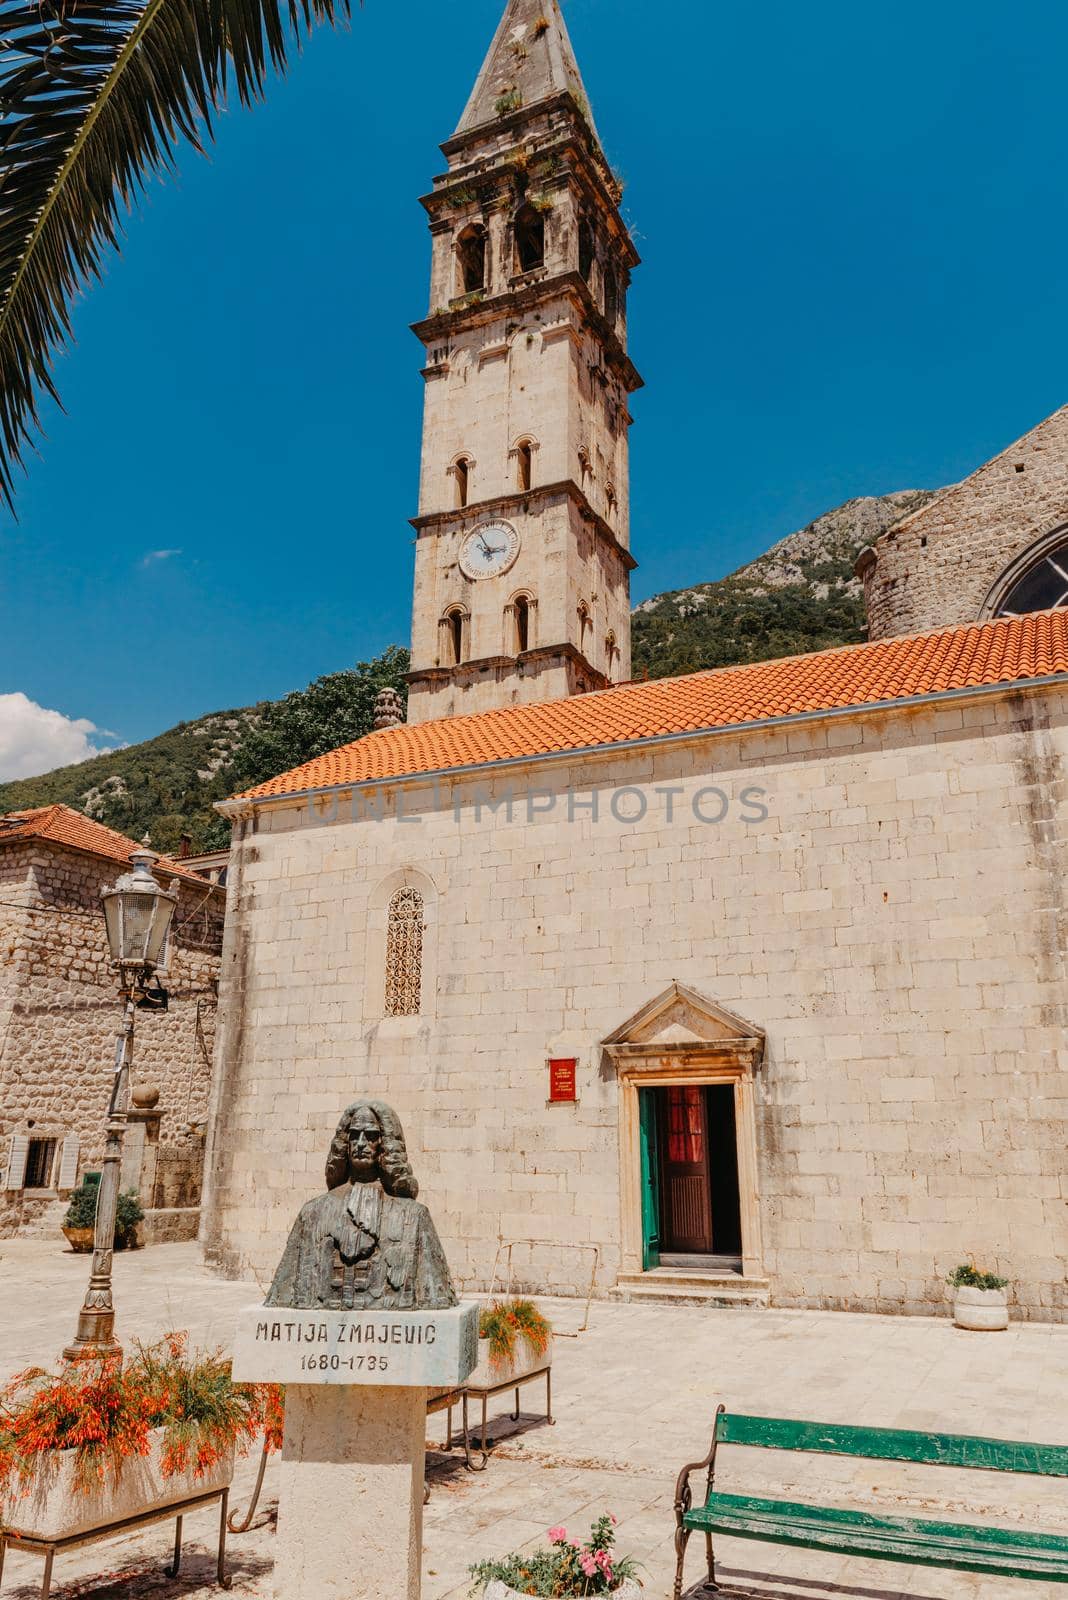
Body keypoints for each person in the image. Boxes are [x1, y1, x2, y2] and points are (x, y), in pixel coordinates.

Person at [265, 1099, 458, 1311]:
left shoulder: (414, 1216)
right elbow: (283, 1293)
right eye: (354, 1135)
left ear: (384, 1144)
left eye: (371, 1136)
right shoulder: (313, 1212)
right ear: (344, 1144)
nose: (360, 1144)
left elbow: (434, 1297)